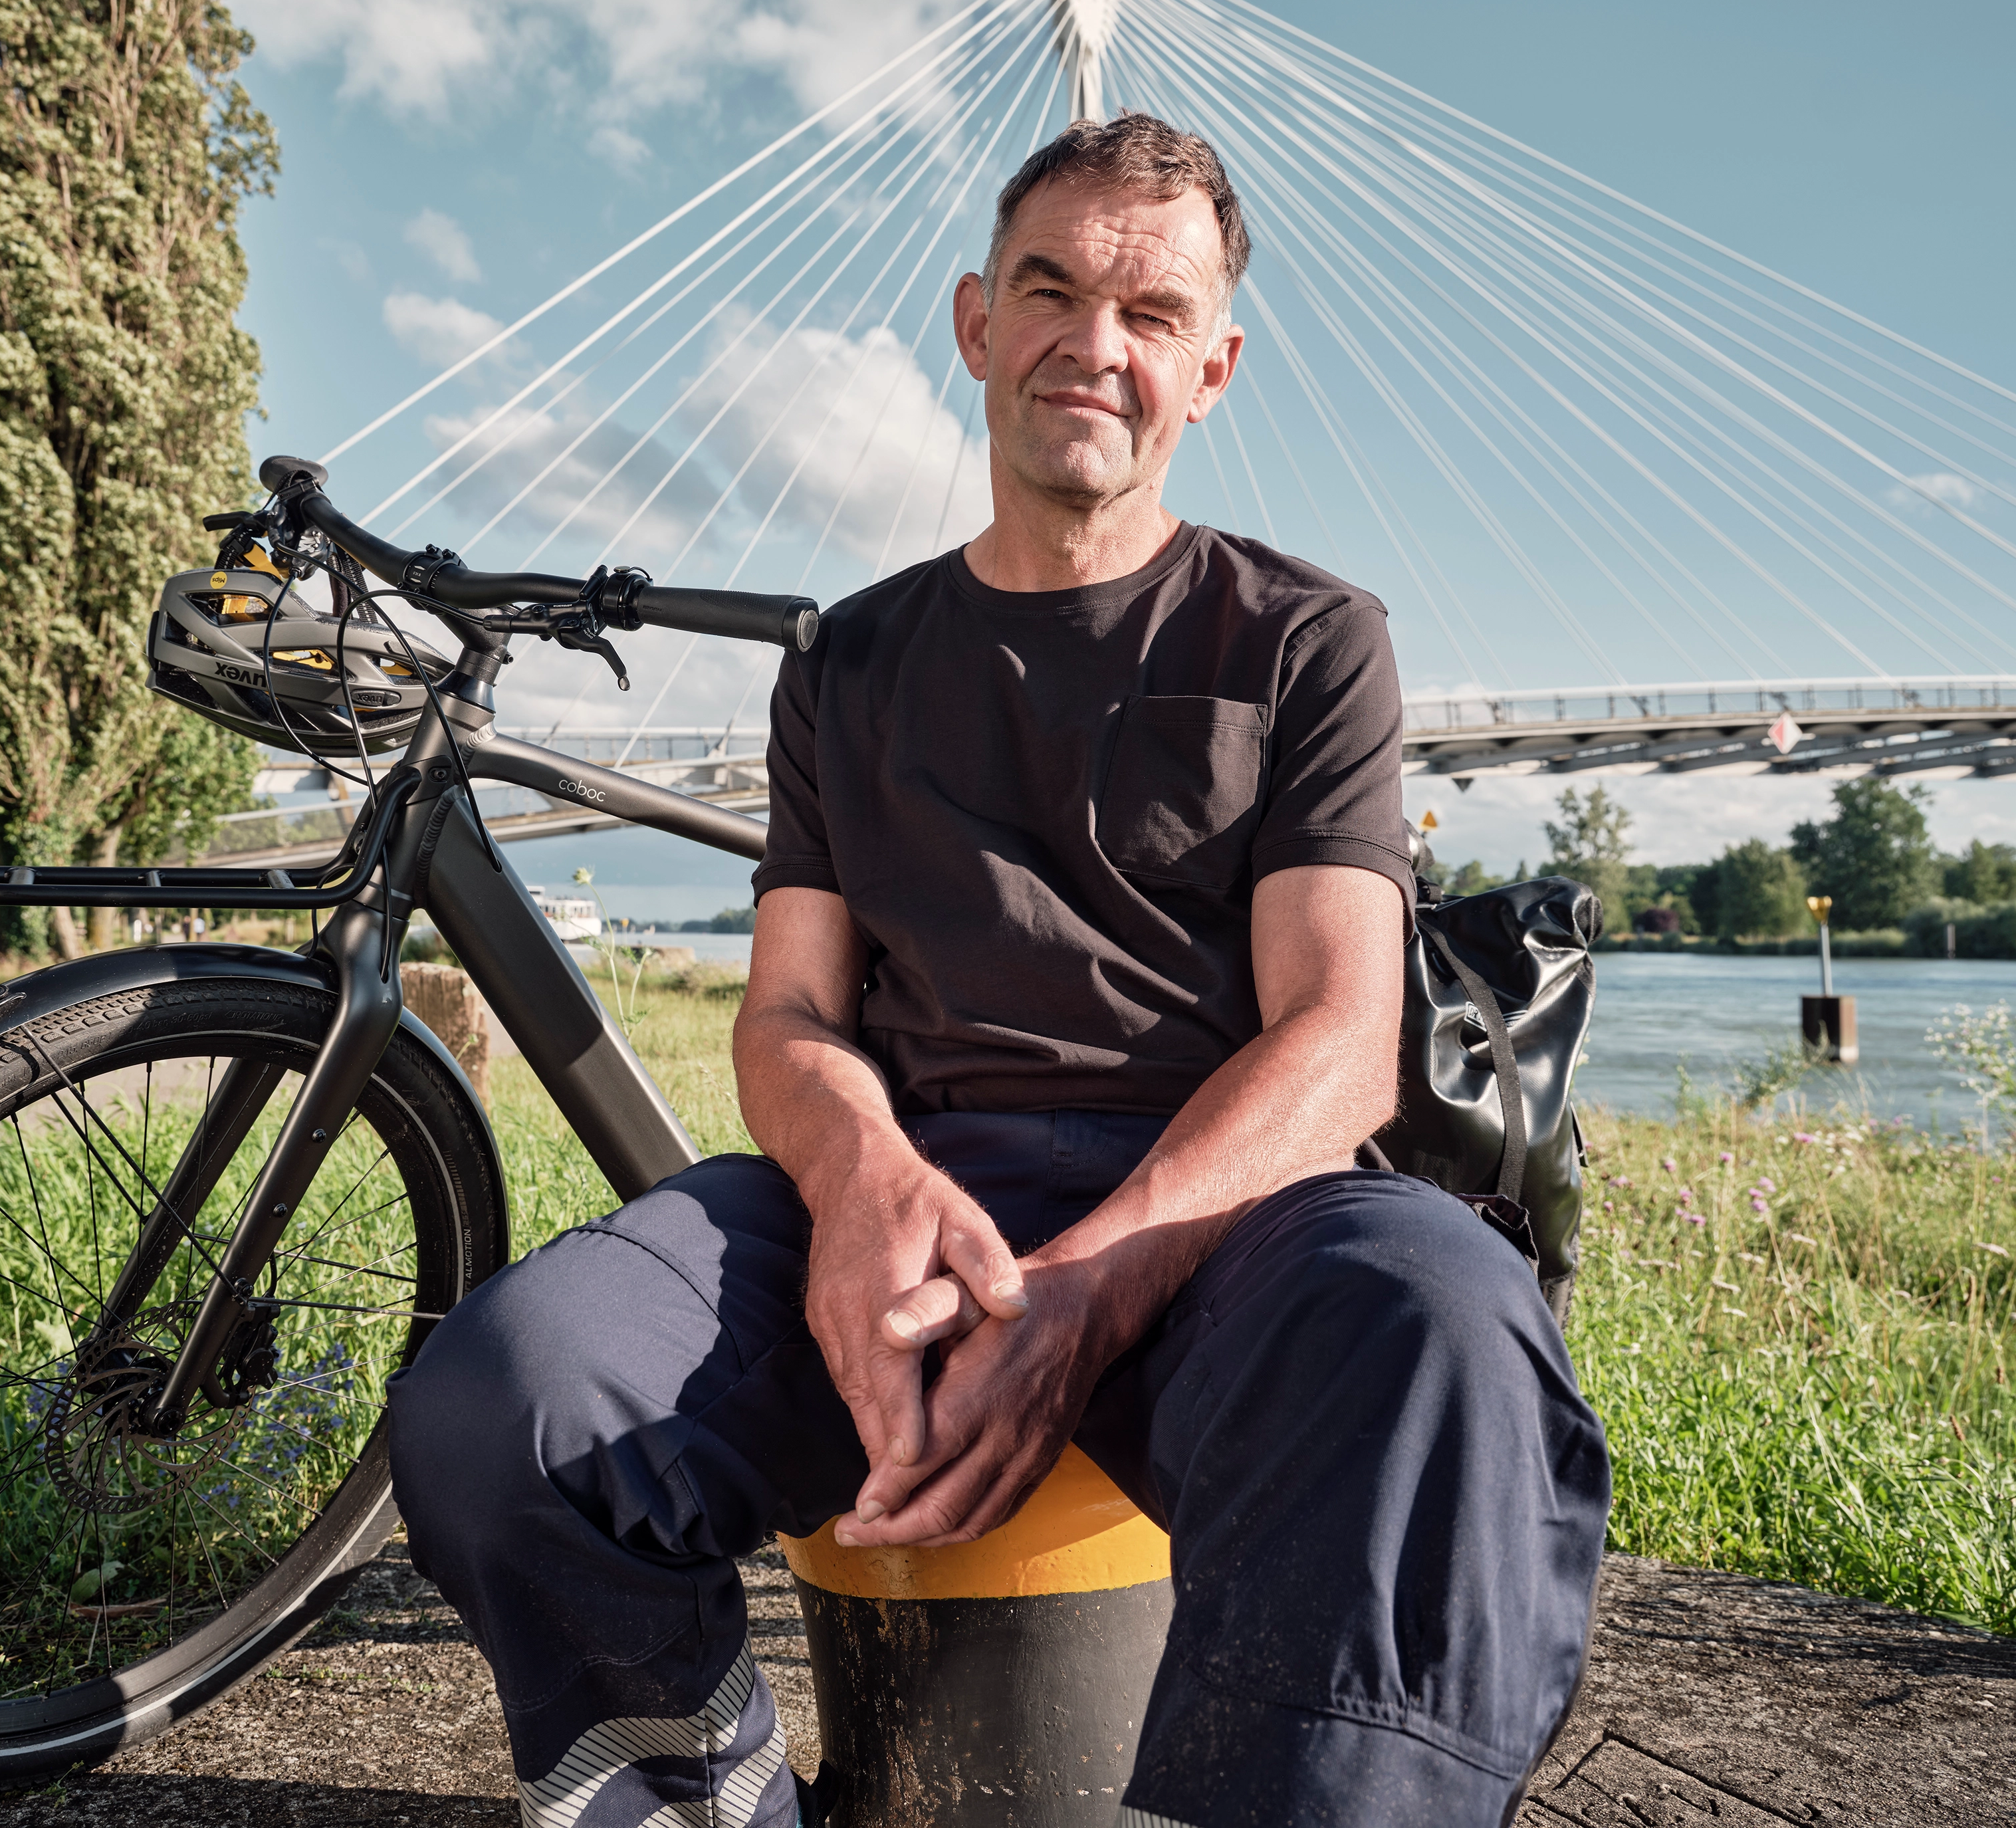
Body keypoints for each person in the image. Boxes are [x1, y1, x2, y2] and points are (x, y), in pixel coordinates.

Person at [390, 114, 1609, 1828]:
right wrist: (864, 1174)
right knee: (502, 1398)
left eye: (1153, 312)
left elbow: (1337, 1038)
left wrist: (1087, 1295)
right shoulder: (852, 661)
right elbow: (795, 1013)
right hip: (909, 1204)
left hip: (1225, 1223)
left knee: (1440, 1333)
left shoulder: (1307, 640)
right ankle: (706, 1799)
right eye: (1050, 287)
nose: (1093, 344)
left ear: (1215, 366)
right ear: (976, 322)